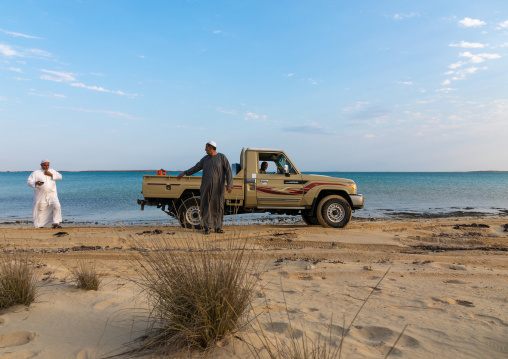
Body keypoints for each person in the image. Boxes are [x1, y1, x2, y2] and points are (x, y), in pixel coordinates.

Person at [177, 141, 233, 234]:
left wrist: (230, 184)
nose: (205, 149)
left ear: (211, 148)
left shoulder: (222, 157)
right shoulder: (205, 159)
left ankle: (218, 227)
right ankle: (207, 227)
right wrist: (185, 173)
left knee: (218, 206)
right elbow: (196, 167)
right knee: (206, 206)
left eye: (206, 147)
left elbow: (229, 171)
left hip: (218, 187)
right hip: (206, 187)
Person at [27, 159, 63, 228]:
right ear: (41, 165)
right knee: (40, 210)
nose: (46, 167)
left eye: (47, 165)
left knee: (57, 206)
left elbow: (60, 177)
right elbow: (28, 181)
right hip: (41, 195)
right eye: (45, 165)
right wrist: (36, 183)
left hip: (52, 194)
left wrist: (51, 174)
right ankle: (39, 225)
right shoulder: (36, 173)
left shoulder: (52, 171)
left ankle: (55, 223)